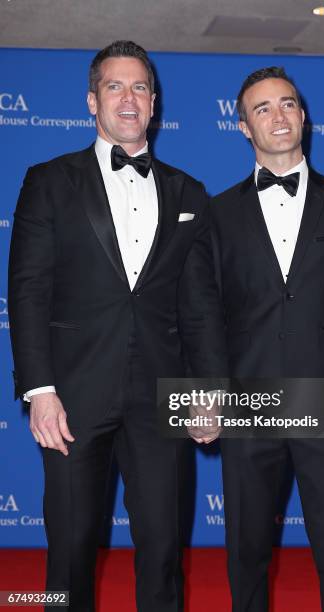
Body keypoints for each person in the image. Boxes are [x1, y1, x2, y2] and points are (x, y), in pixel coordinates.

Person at [8, 40, 227, 612]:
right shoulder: (48, 181)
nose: (128, 99)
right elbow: (27, 292)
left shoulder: (189, 192)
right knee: (70, 547)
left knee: (161, 546)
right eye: (114, 86)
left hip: (163, 397)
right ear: (91, 101)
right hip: (73, 396)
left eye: (139, 88)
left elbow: (199, 304)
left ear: (154, 103)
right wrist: (40, 391)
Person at [211, 67, 324, 612]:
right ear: (243, 127)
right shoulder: (217, 214)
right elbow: (204, 315)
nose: (278, 115)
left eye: (286, 103)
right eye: (262, 108)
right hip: (247, 403)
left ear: (304, 114)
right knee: (245, 553)